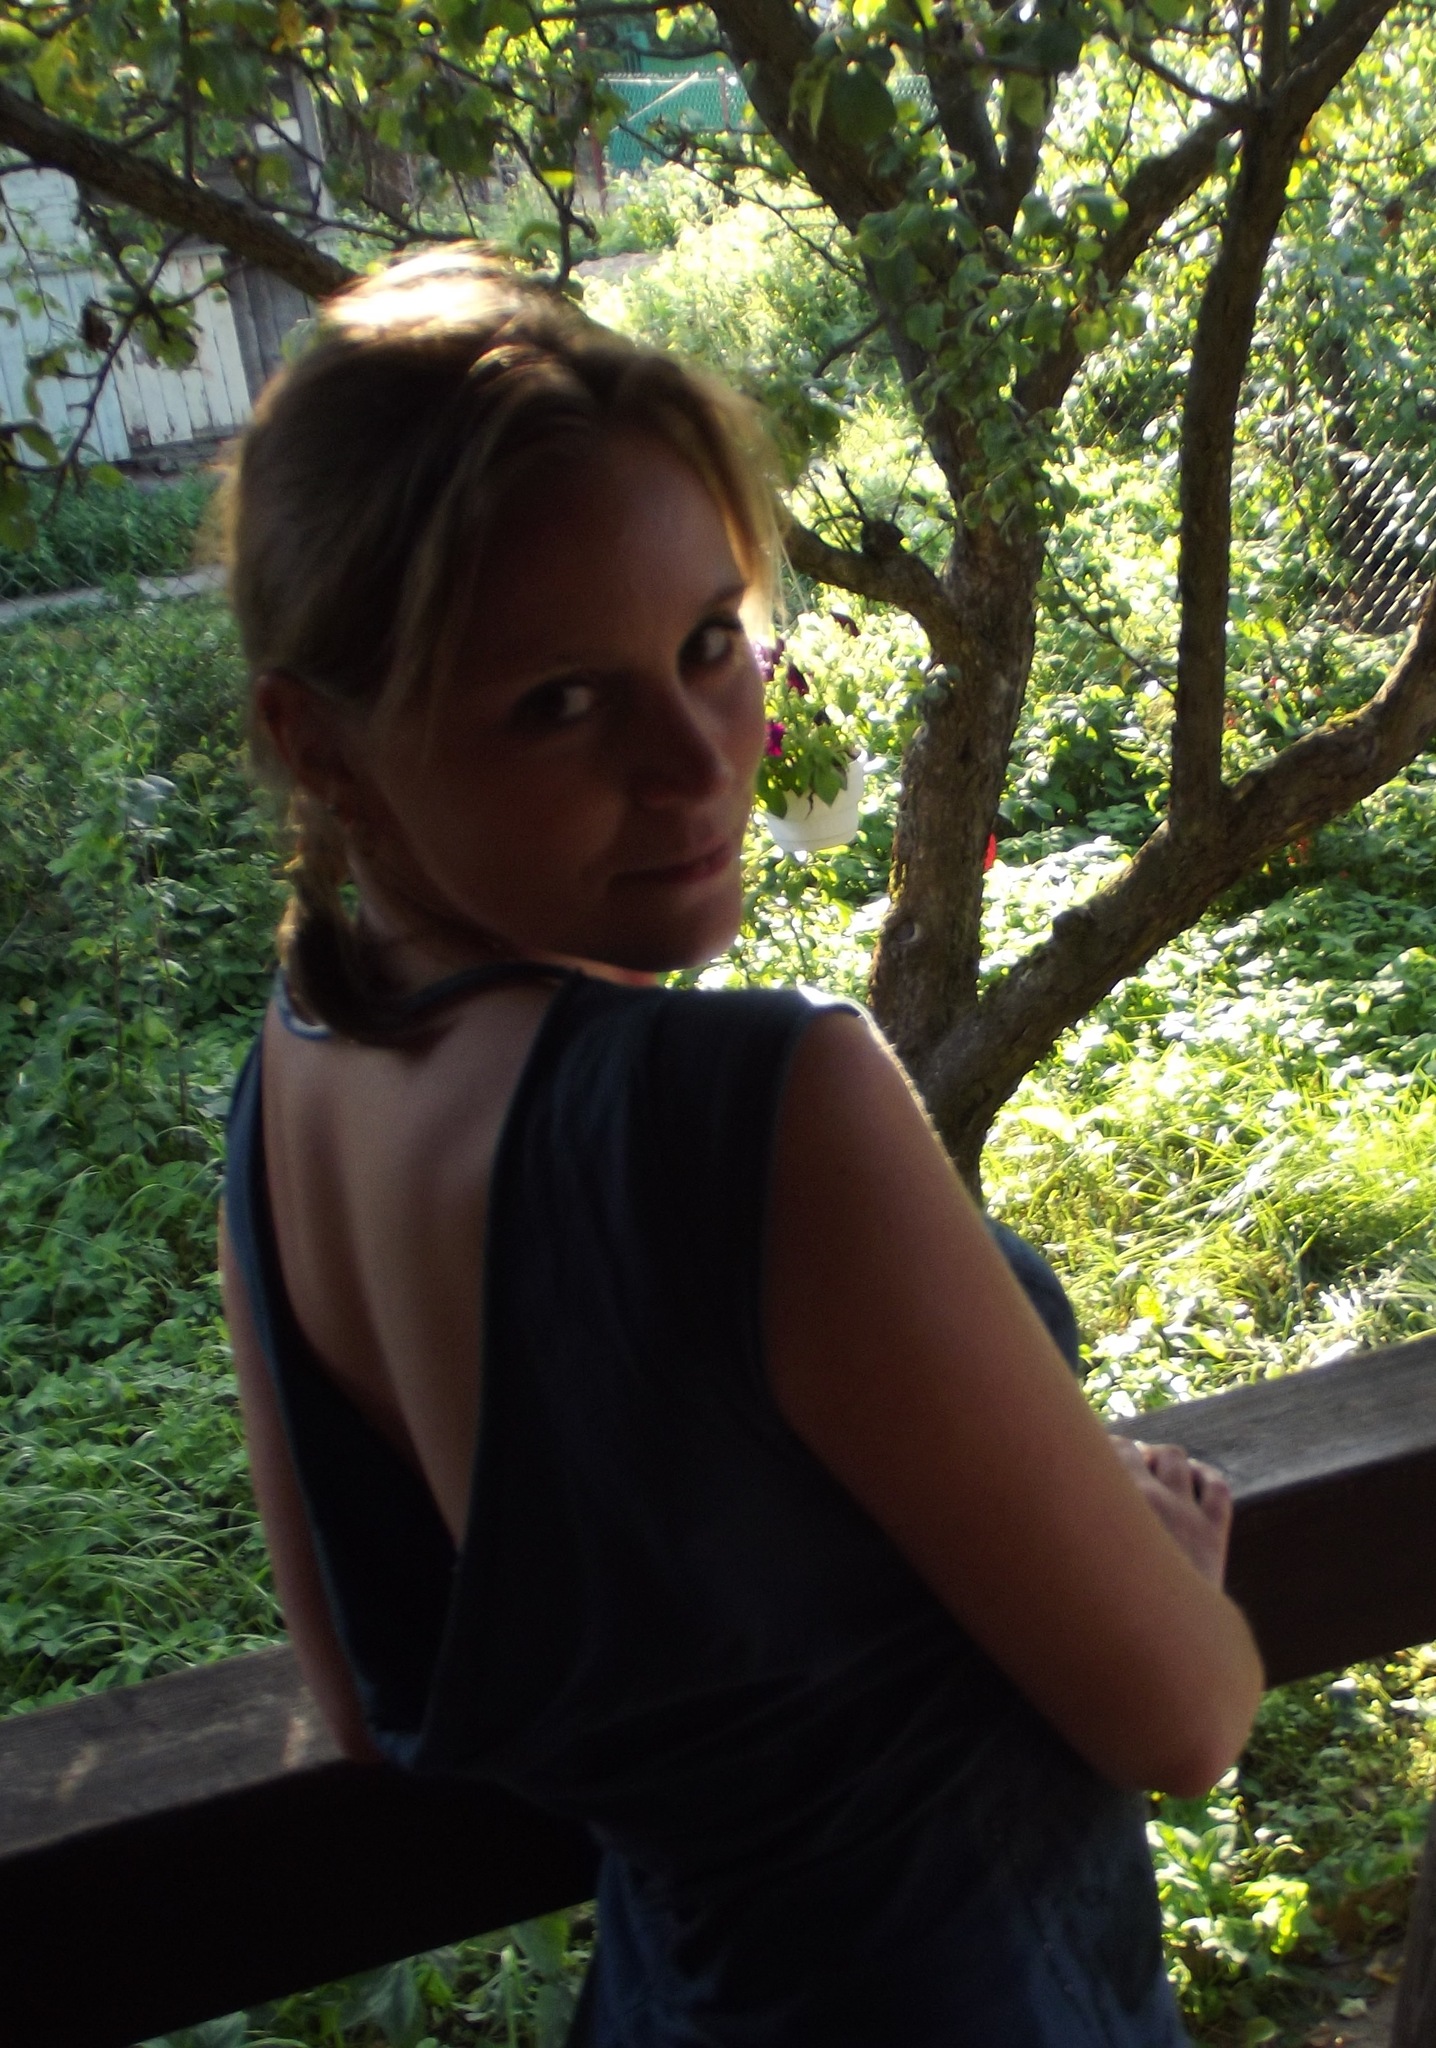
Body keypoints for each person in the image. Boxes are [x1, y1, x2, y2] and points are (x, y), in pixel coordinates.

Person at [218, 248, 1263, 2047]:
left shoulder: (289, 1089)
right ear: (319, 744)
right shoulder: (759, 1104)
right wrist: (1151, 1557)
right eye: (560, 701)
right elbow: (1189, 1717)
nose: (704, 761)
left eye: (710, 641)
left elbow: (370, 1689)